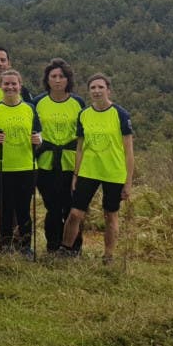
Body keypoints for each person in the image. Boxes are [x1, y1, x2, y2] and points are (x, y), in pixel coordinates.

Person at [57, 74, 134, 264]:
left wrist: (128, 182)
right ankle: (65, 250)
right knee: (75, 213)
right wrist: (76, 173)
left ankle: (108, 256)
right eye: (93, 88)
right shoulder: (84, 114)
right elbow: (80, 148)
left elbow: (128, 152)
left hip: (113, 172)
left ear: (108, 90)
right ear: (89, 91)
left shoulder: (120, 114)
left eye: (100, 87)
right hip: (88, 171)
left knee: (110, 215)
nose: (97, 91)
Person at [0, 69, 42, 256]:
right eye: (6, 83)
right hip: (0, 167)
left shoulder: (30, 108)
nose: (10, 87)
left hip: (26, 166)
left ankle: (25, 245)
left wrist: (38, 140)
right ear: (1, 85)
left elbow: (38, 134)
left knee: (23, 209)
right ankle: (6, 244)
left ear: (20, 85)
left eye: (14, 83)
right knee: (5, 208)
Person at [34, 59, 86, 253]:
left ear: (67, 80)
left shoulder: (78, 102)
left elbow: (83, 134)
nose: (57, 80)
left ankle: (73, 247)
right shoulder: (38, 102)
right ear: (47, 79)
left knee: (71, 208)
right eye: (53, 76)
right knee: (53, 208)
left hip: (71, 162)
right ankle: (53, 246)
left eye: (61, 76)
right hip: (45, 162)